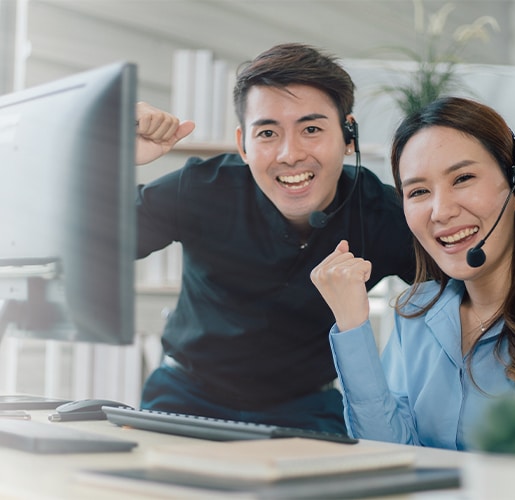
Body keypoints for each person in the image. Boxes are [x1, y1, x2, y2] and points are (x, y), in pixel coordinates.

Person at [133, 43, 415, 433]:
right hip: (185, 397)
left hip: (308, 407)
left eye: (311, 129)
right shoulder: (201, 187)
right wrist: (111, 149)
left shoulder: (384, 214)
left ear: (349, 135)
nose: (289, 154)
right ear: (242, 145)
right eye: (267, 132)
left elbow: (468, 288)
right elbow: (88, 238)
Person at [311, 96, 515, 450]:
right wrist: (353, 325)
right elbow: (388, 455)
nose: (441, 211)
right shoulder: (415, 311)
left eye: (462, 178)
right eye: (418, 191)